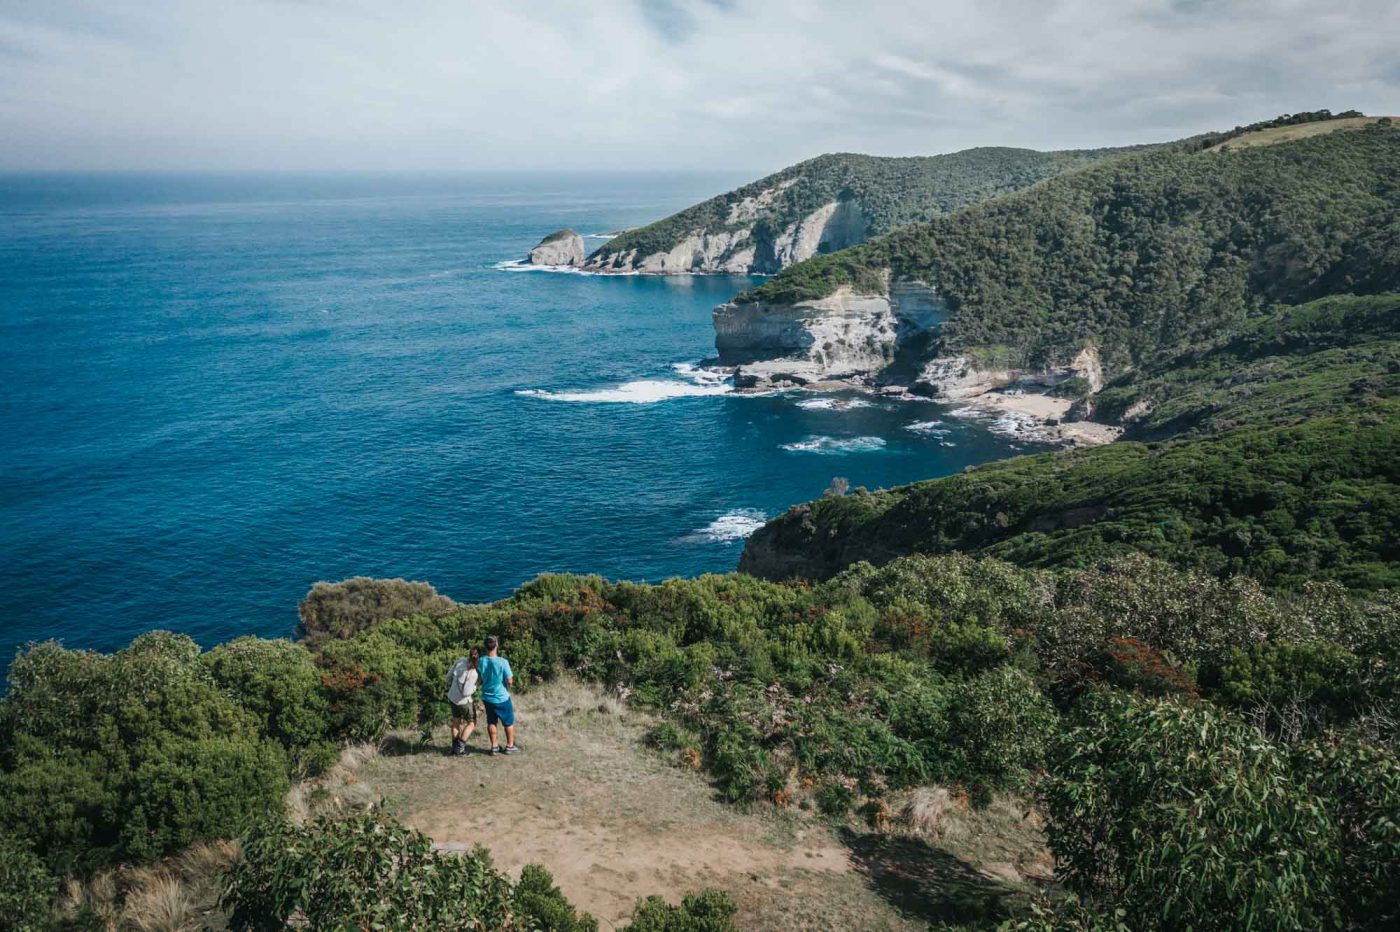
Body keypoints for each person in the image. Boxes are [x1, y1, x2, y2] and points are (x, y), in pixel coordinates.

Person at [477, 635, 519, 754]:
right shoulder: (503, 662)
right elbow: (510, 681)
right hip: (501, 697)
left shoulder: (481, 661)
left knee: (491, 721)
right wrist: (507, 685)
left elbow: (479, 679)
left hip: (487, 697)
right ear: (496, 645)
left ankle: (494, 747)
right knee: (508, 722)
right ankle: (510, 746)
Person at [445, 647, 480, 756]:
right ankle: (460, 749)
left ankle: (454, 748)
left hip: (452, 697)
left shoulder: (460, 661)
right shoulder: (473, 673)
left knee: (456, 722)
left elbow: (448, 677)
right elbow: (466, 692)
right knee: (472, 723)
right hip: (464, 702)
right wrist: (476, 686)